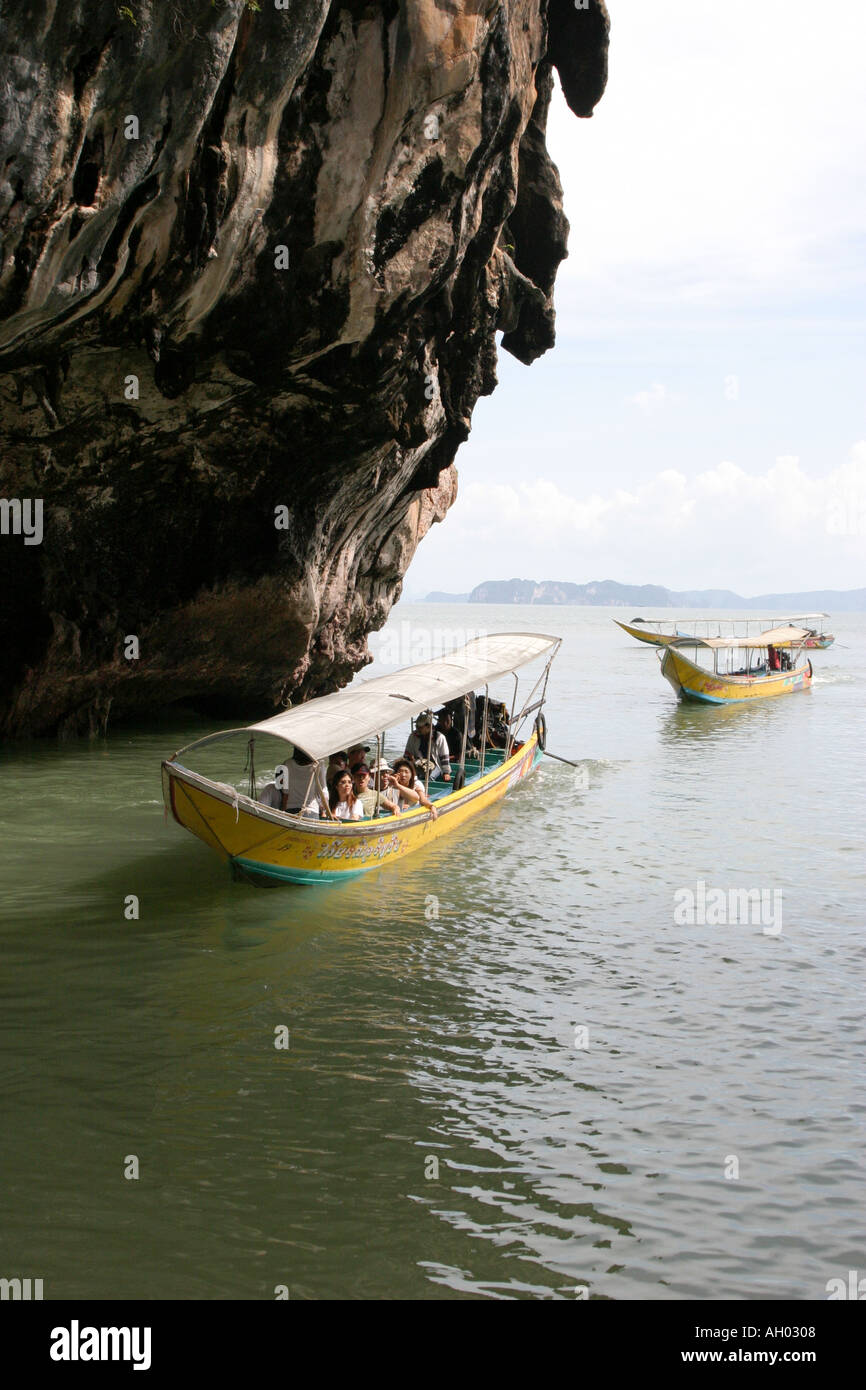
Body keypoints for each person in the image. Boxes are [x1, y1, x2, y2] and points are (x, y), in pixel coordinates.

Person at [260, 747, 332, 818]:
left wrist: (284, 812)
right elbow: (324, 792)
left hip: (290, 810)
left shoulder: (288, 763)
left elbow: (286, 793)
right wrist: (326, 813)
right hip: (310, 811)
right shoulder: (319, 764)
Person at [404, 712, 451, 781]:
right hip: (418, 763)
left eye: (420, 727)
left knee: (429, 779)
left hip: (435, 765)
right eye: (417, 727)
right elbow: (407, 754)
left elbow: (444, 757)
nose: (417, 729)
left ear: (429, 727)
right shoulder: (413, 736)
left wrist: (446, 772)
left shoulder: (439, 737)